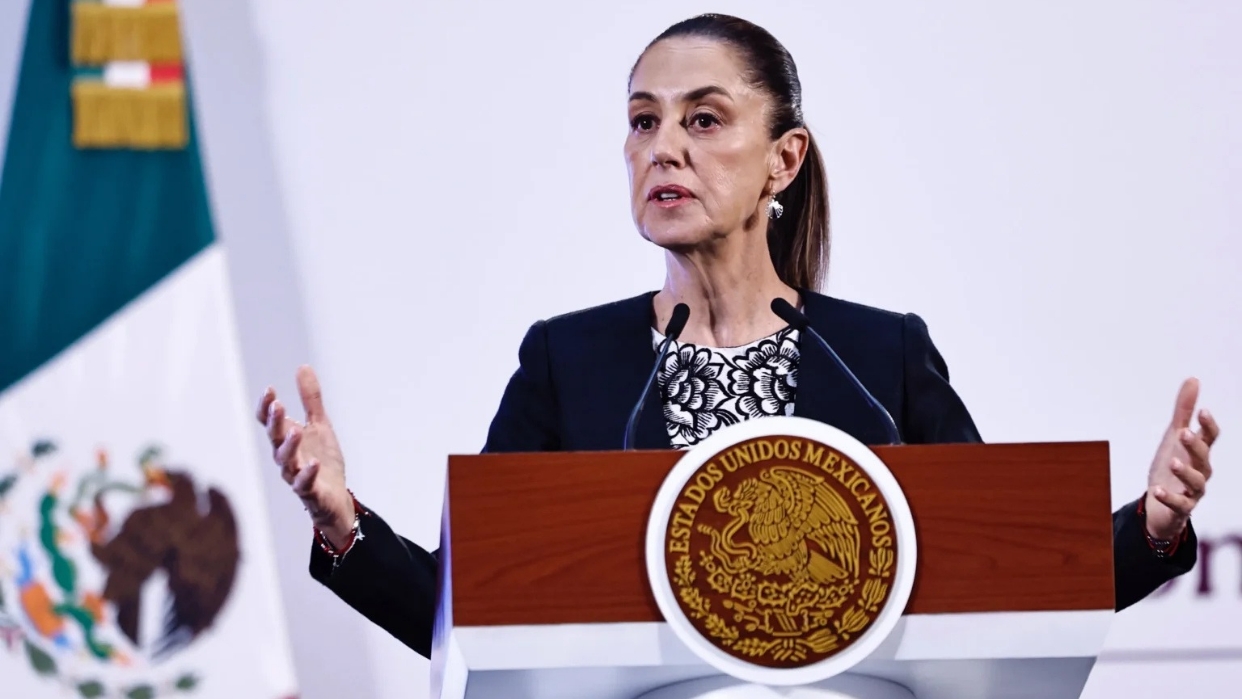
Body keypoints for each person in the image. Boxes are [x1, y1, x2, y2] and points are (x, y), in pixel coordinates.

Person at [254, 14, 1220, 660]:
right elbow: (468, 614)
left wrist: (1154, 526)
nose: (663, 147)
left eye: (705, 119)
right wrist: (343, 524)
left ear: (782, 160)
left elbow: (1005, 584)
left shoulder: (878, 358)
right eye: (643, 122)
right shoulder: (567, 362)